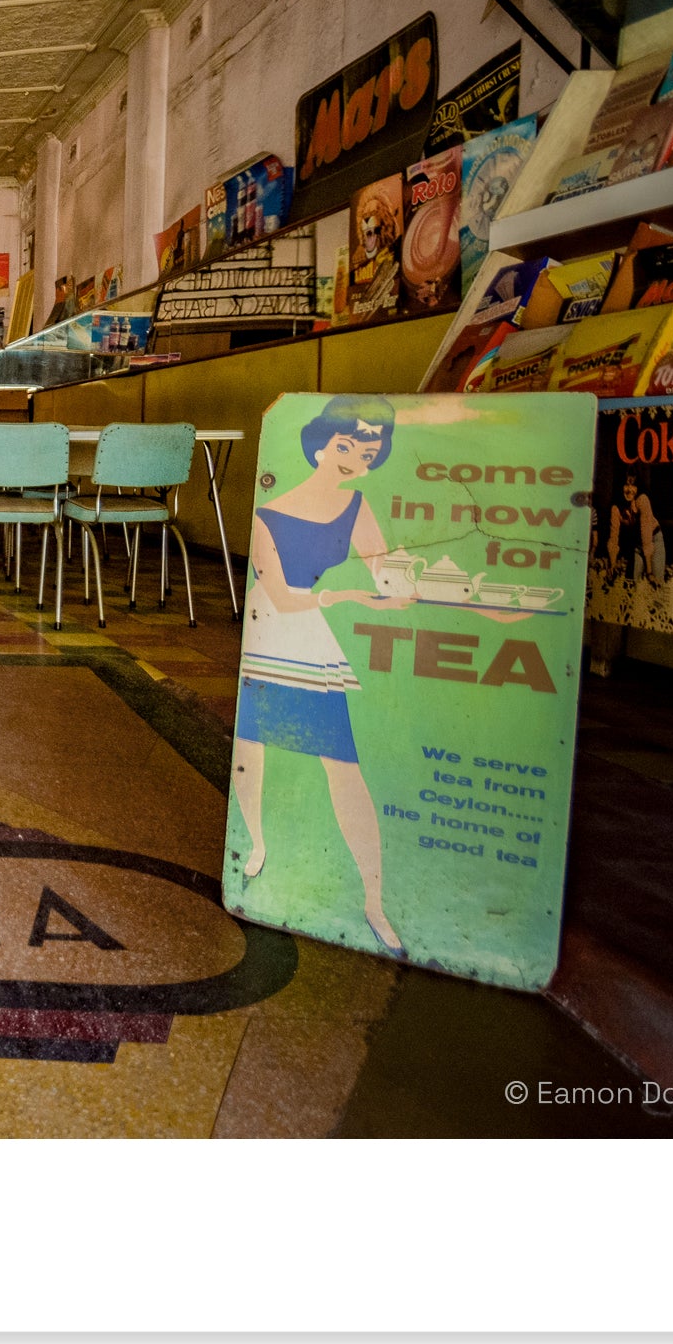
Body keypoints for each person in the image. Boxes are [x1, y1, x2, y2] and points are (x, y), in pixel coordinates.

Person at [230, 395, 406, 960]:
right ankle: (255, 845)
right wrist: (348, 592)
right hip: (274, 631)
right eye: (346, 444)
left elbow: (388, 568)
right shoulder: (267, 513)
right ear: (321, 442)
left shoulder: (356, 506)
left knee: (343, 765)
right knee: (251, 747)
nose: (355, 457)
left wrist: (399, 584)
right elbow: (280, 595)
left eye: (369, 450)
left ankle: (373, 900)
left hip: (311, 642)